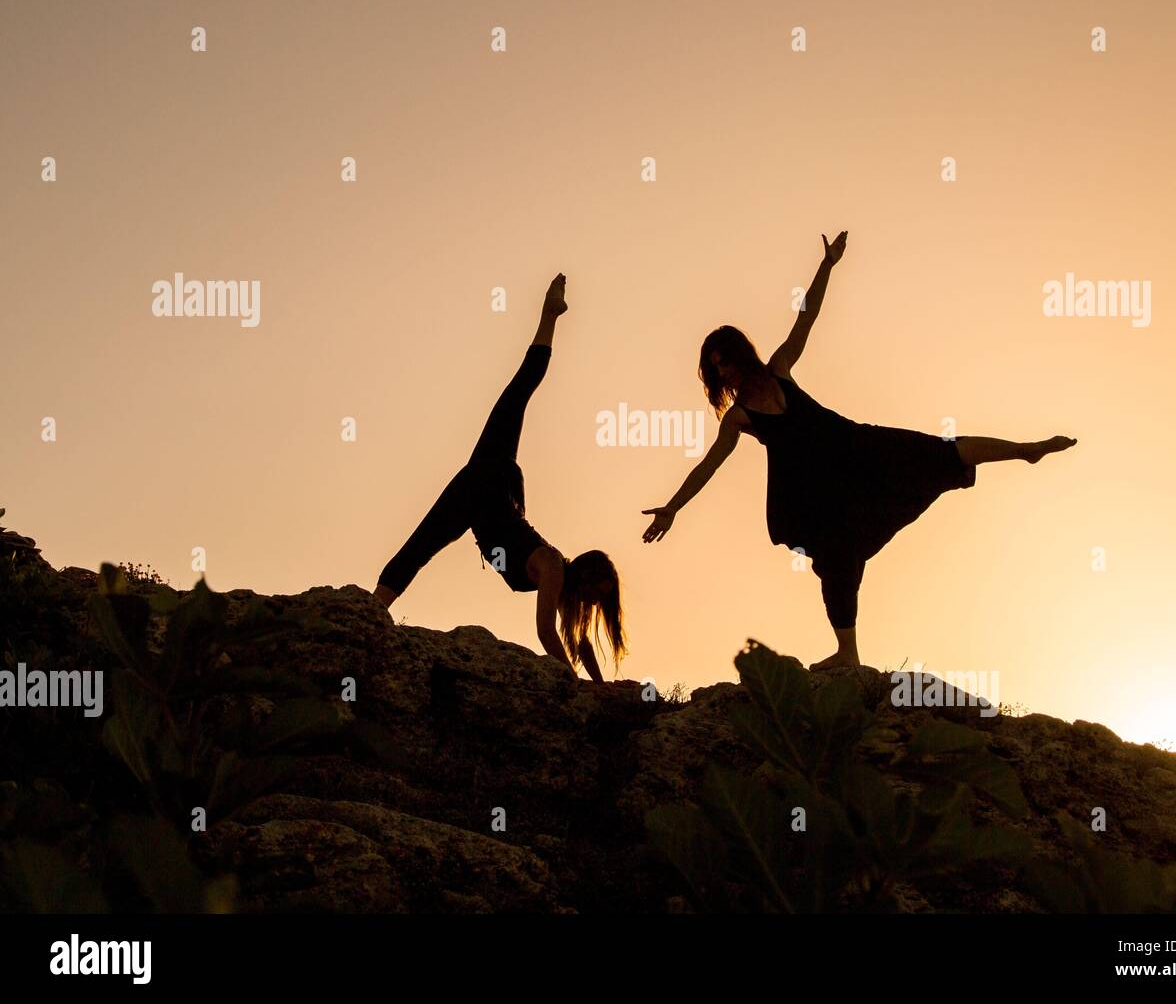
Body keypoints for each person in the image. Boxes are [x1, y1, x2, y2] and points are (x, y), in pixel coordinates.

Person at [642, 232, 1075, 670]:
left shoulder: (779, 368)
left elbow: (805, 317)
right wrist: (673, 508)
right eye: (718, 370)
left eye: (727, 361)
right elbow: (709, 466)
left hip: (858, 446)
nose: (727, 373)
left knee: (941, 452)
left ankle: (1026, 450)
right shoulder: (738, 418)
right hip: (818, 490)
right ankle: (848, 655)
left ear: (742, 356)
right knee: (836, 561)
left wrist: (827, 265)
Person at [375, 273, 625, 682]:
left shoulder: (560, 584)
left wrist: (600, 687)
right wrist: (576, 686)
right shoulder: (554, 569)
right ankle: (549, 314)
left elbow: (574, 639)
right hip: (492, 487)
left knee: (419, 548)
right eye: (599, 596)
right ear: (588, 578)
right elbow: (546, 633)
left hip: (490, 500)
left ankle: (372, 610)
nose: (595, 605)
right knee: (517, 394)